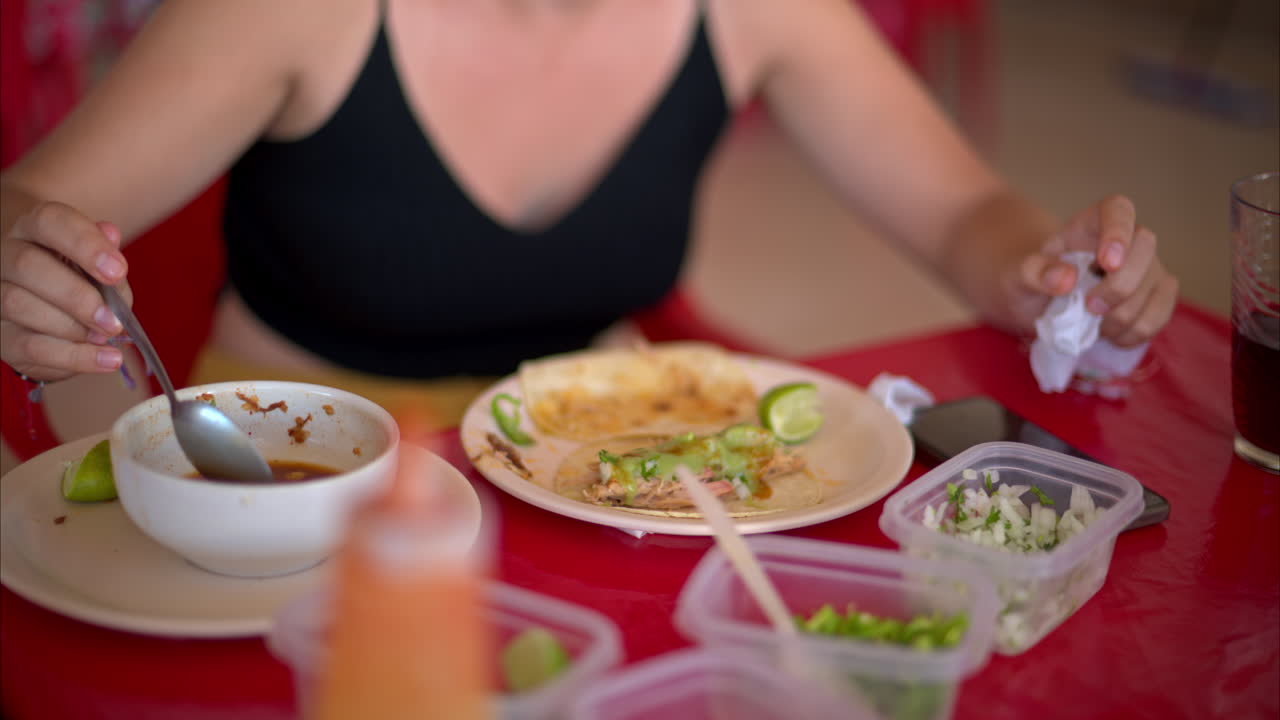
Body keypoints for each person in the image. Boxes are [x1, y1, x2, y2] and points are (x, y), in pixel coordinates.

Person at [0, 0, 1179, 421]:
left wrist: (1051, 268)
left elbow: (962, 216)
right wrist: (21, 260)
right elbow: (34, 207)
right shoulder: (290, 9)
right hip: (287, 481)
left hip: (590, 478)